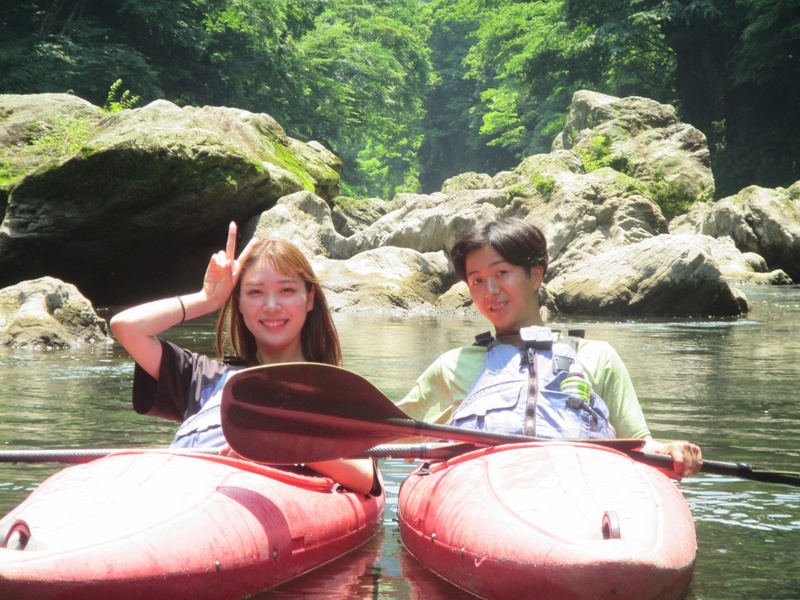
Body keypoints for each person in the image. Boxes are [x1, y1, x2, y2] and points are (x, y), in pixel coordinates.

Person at [397, 217, 703, 479]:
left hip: (579, 487)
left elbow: (639, 443)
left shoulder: (596, 357)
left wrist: (668, 450)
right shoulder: (452, 365)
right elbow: (390, 430)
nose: (490, 291)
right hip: (484, 491)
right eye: (477, 280)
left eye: (501, 273)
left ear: (536, 275)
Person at [110, 222, 380, 495]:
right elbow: (126, 327)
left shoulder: (334, 391)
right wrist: (207, 299)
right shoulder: (202, 377)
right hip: (182, 491)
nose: (271, 306)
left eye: (286, 290)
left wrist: (275, 440)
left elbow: (366, 479)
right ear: (238, 302)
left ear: (309, 299)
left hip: (252, 508)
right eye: (255, 292)